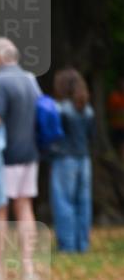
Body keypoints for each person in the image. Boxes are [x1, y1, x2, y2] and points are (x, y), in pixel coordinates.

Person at [0, 37, 41, 280]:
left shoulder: (0, 82)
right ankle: (28, 268)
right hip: (30, 155)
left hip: (3, 158)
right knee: (25, 208)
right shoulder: (30, 79)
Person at [49, 68, 94, 252]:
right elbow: (91, 136)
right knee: (83, 202)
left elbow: (54, 136)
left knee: (64, 202)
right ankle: (82, 244)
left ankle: (67, 246)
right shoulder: (88, 110)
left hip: (65, 160)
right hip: (84, 160)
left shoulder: (61, 109)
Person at [106, 75, 124, 164]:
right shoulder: (114, 96)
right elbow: (111, 111)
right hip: (117, 125)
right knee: (118, 143)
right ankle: (120, 161)